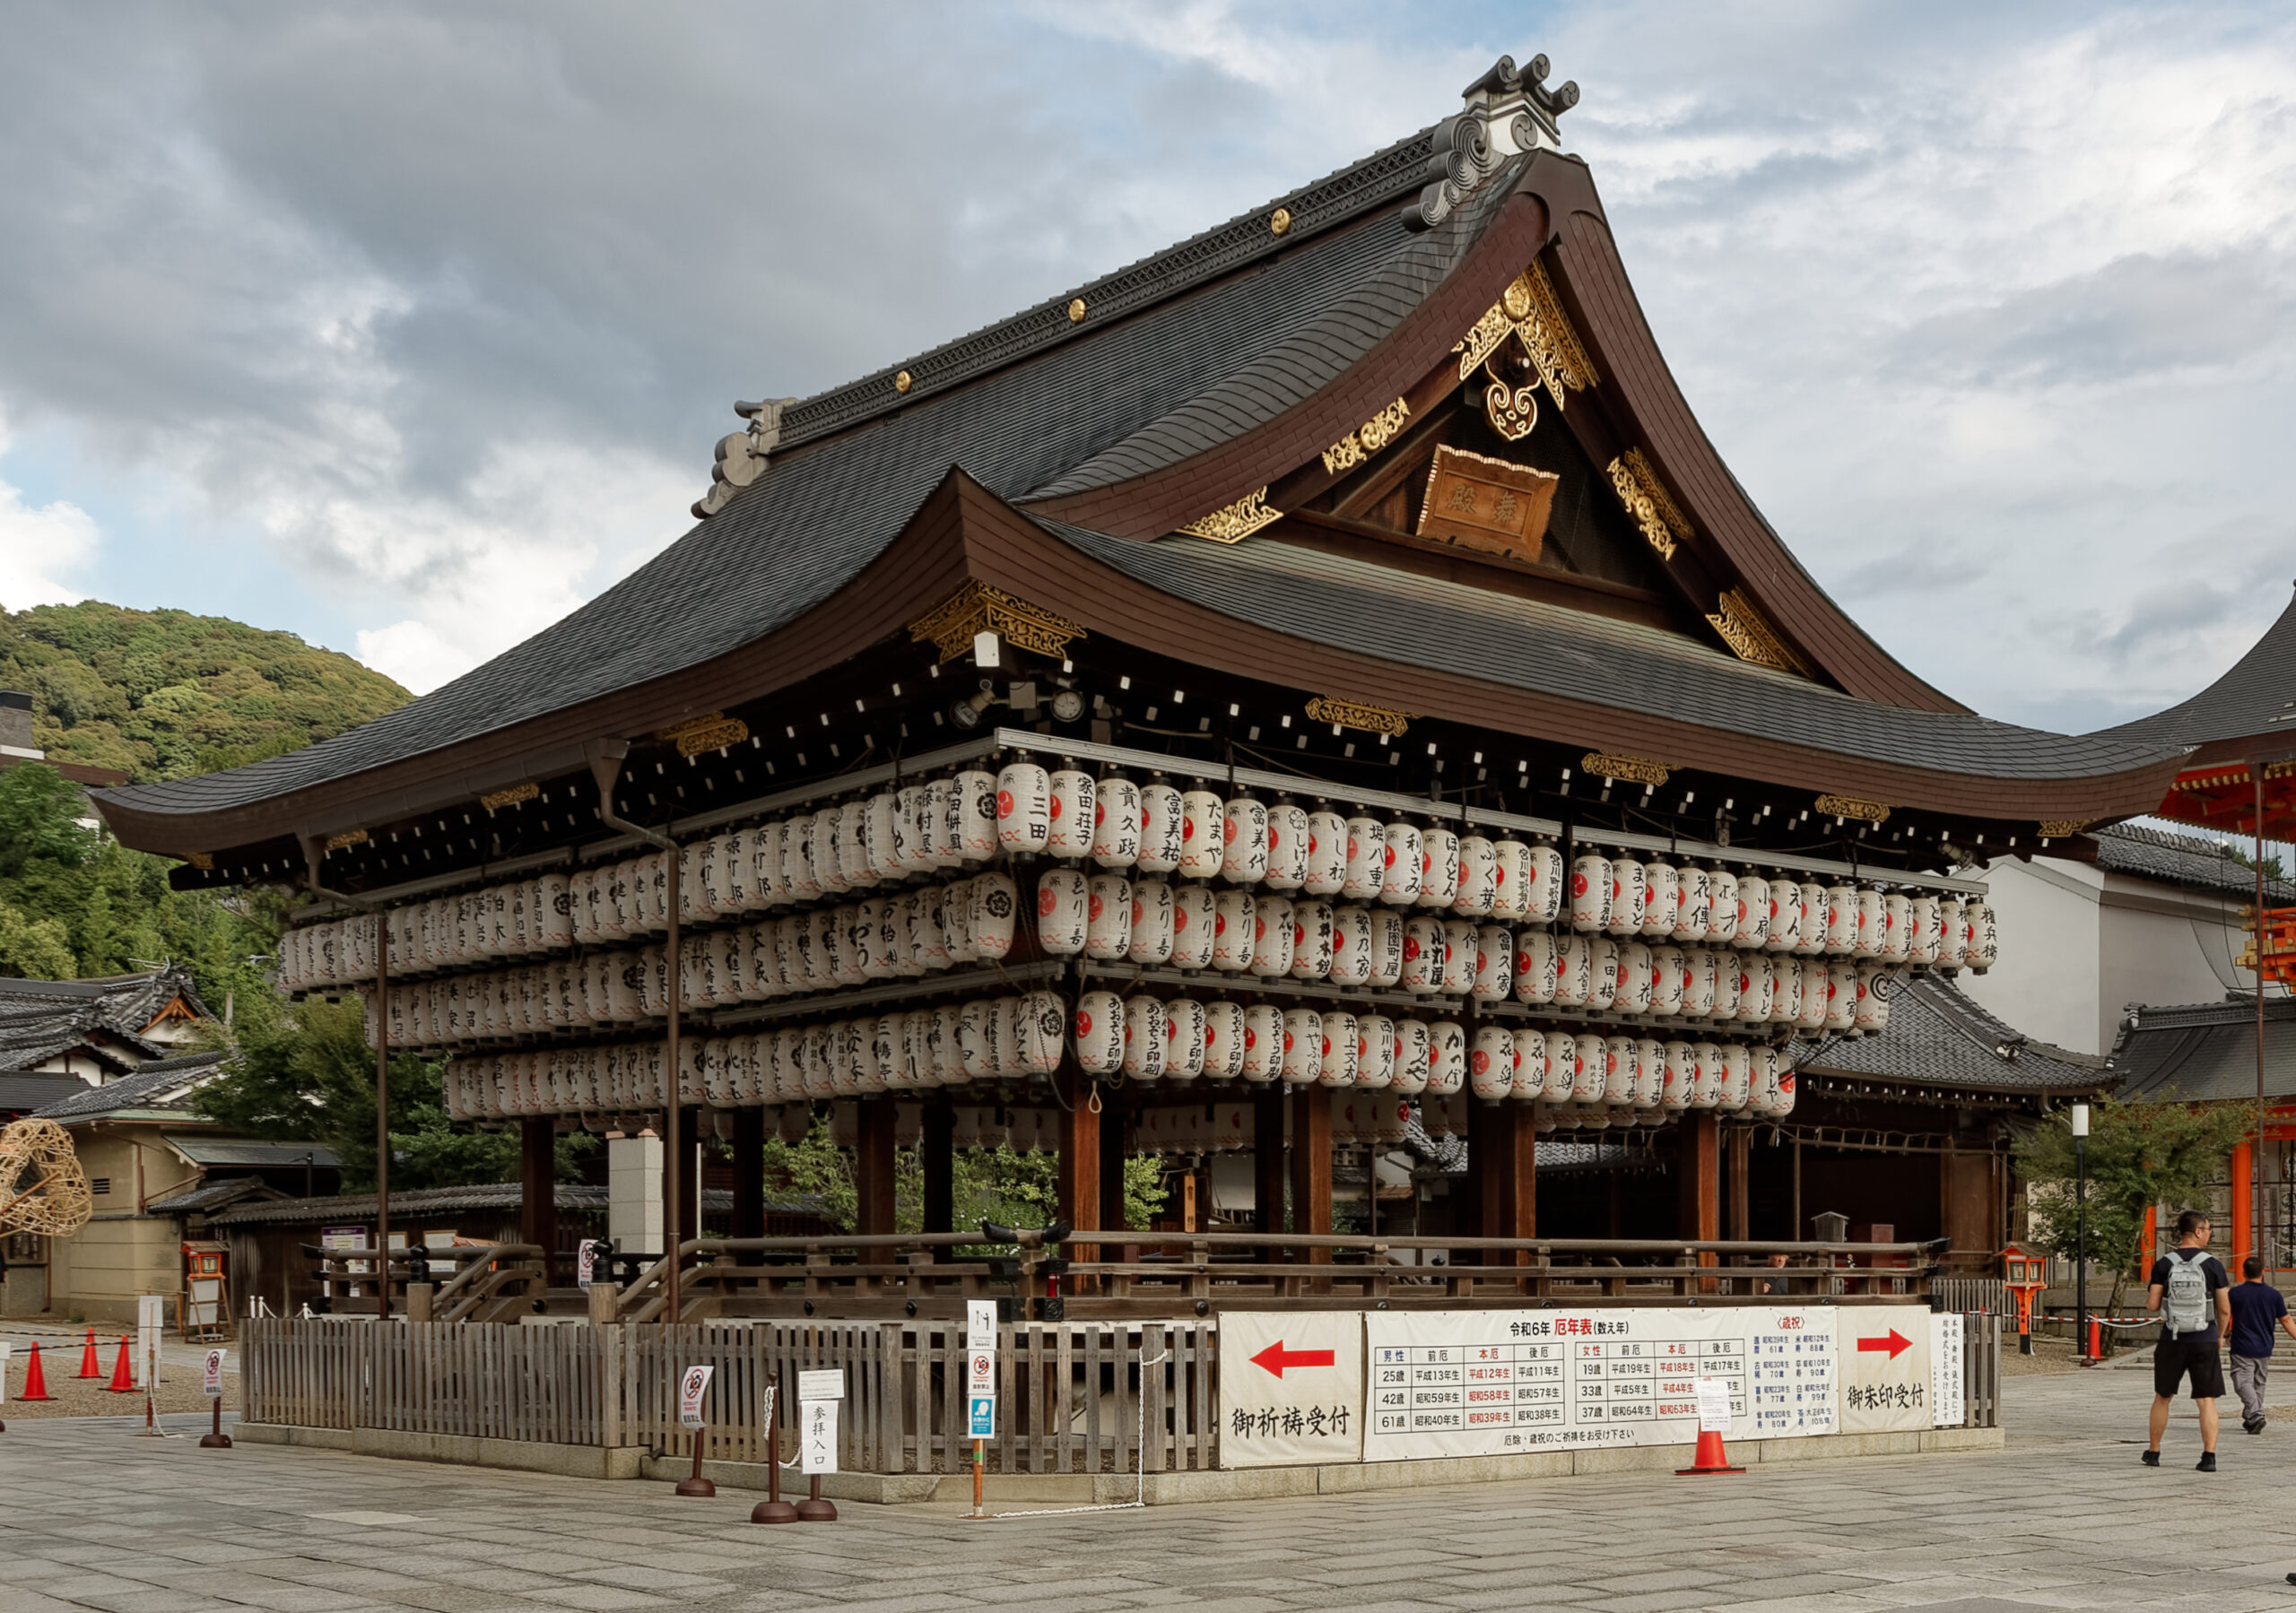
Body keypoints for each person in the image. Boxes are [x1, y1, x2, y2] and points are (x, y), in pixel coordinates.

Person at [2144, 1210, 2233, 1471]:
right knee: (2206, 1400)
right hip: (2204, 1338)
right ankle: (2209, 1457)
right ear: (2197, 1231)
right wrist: (2219, 1335)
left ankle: (2154, 1452)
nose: (2209, 1233)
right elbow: (2225, 1308)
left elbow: (2152, 1305)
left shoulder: (2163, 1263)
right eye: (2208, 1229)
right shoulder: (2213, 1265)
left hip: (2172, 1338)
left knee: (2163, 1396)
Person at [2226, 1254, 2296, 1434]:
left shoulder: (2235, 1293)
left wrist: (2225, 1333)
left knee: (2242, 1382)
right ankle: (2251, 1418)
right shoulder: (2273, 1295)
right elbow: (2286, 1320)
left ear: (2243, 1272)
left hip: (2242, 1345)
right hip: (2265, 1345)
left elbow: (2225, 1314)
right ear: (2262, 1272)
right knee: (2258, 1383)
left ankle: (2256, 1414)